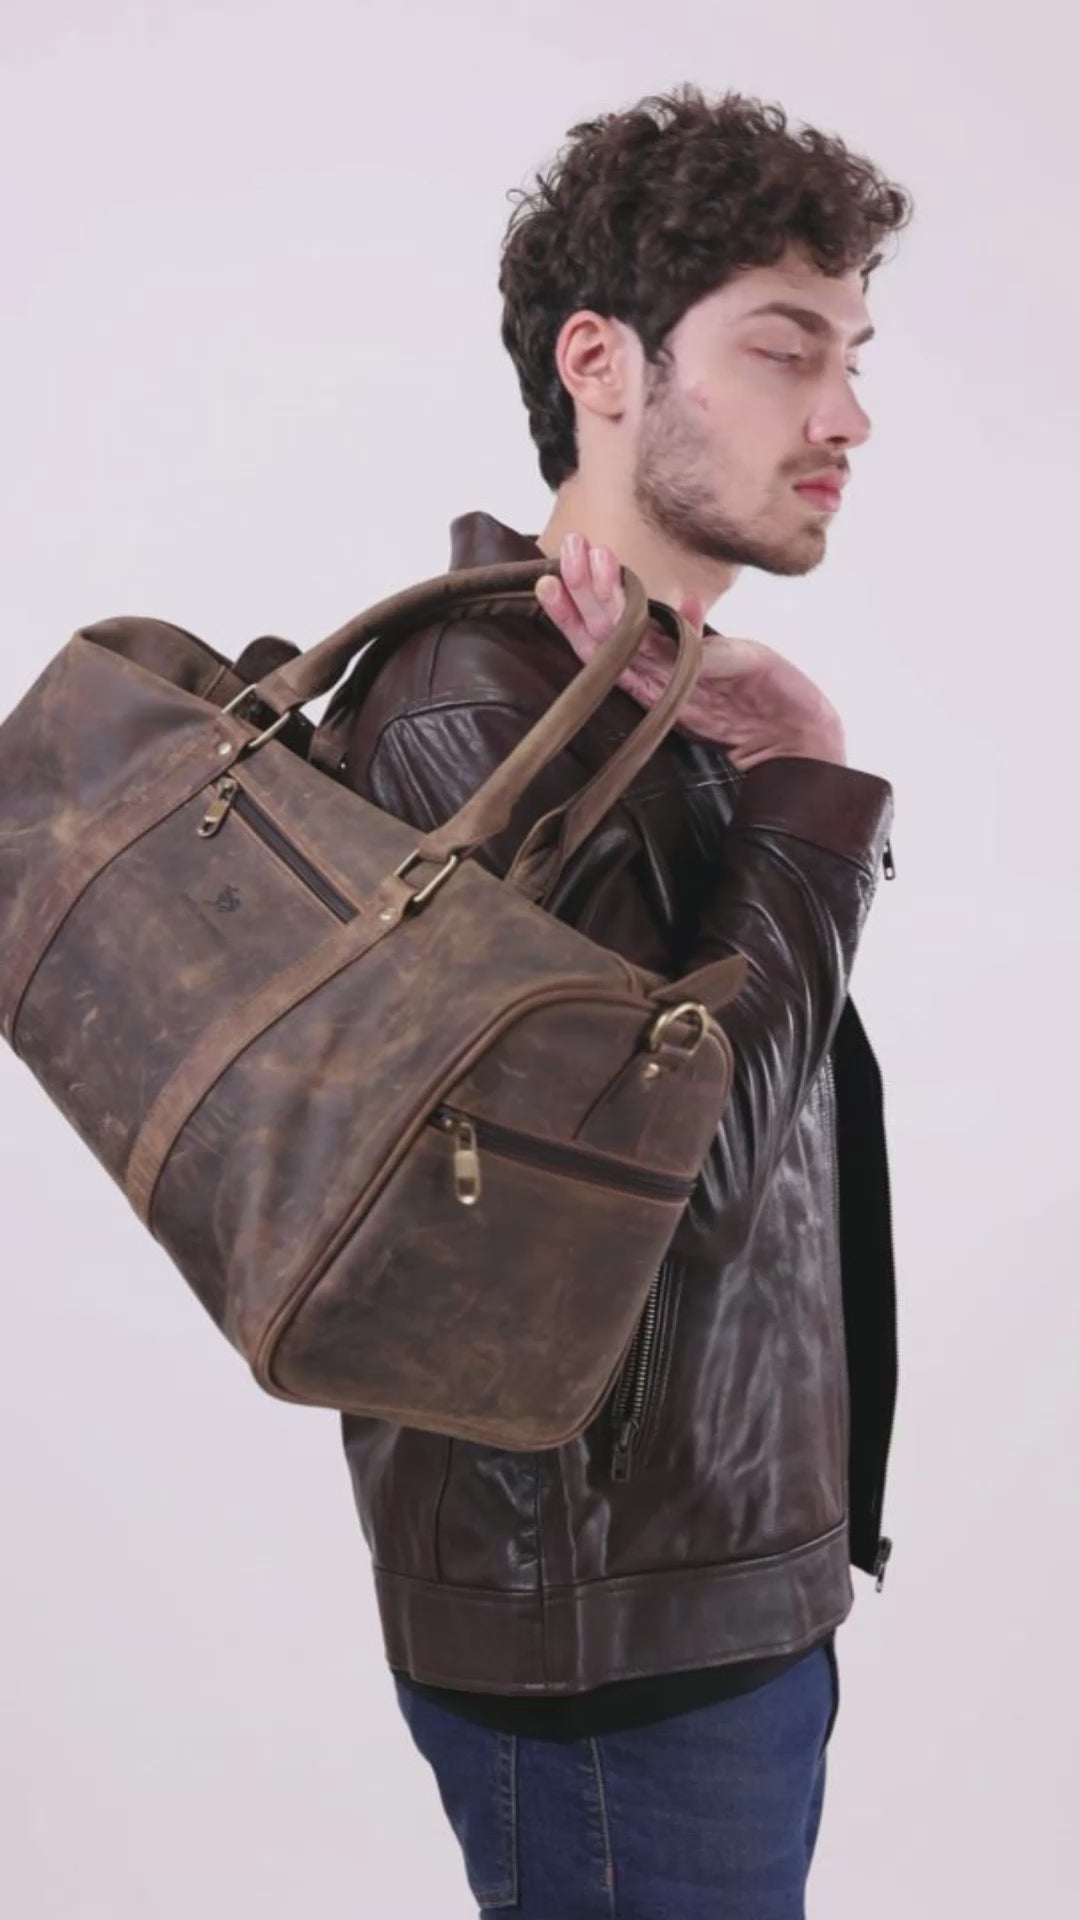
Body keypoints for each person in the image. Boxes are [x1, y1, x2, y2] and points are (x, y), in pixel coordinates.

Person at [326, 83, 914, 1918]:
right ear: (603, 363)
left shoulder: (656, 709)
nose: (845, 416)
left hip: (717, 1613)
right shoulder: (478, 719)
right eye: (784, 349)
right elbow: (663, 1196)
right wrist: (811, 783)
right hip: (608, 1656)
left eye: (855, 358)